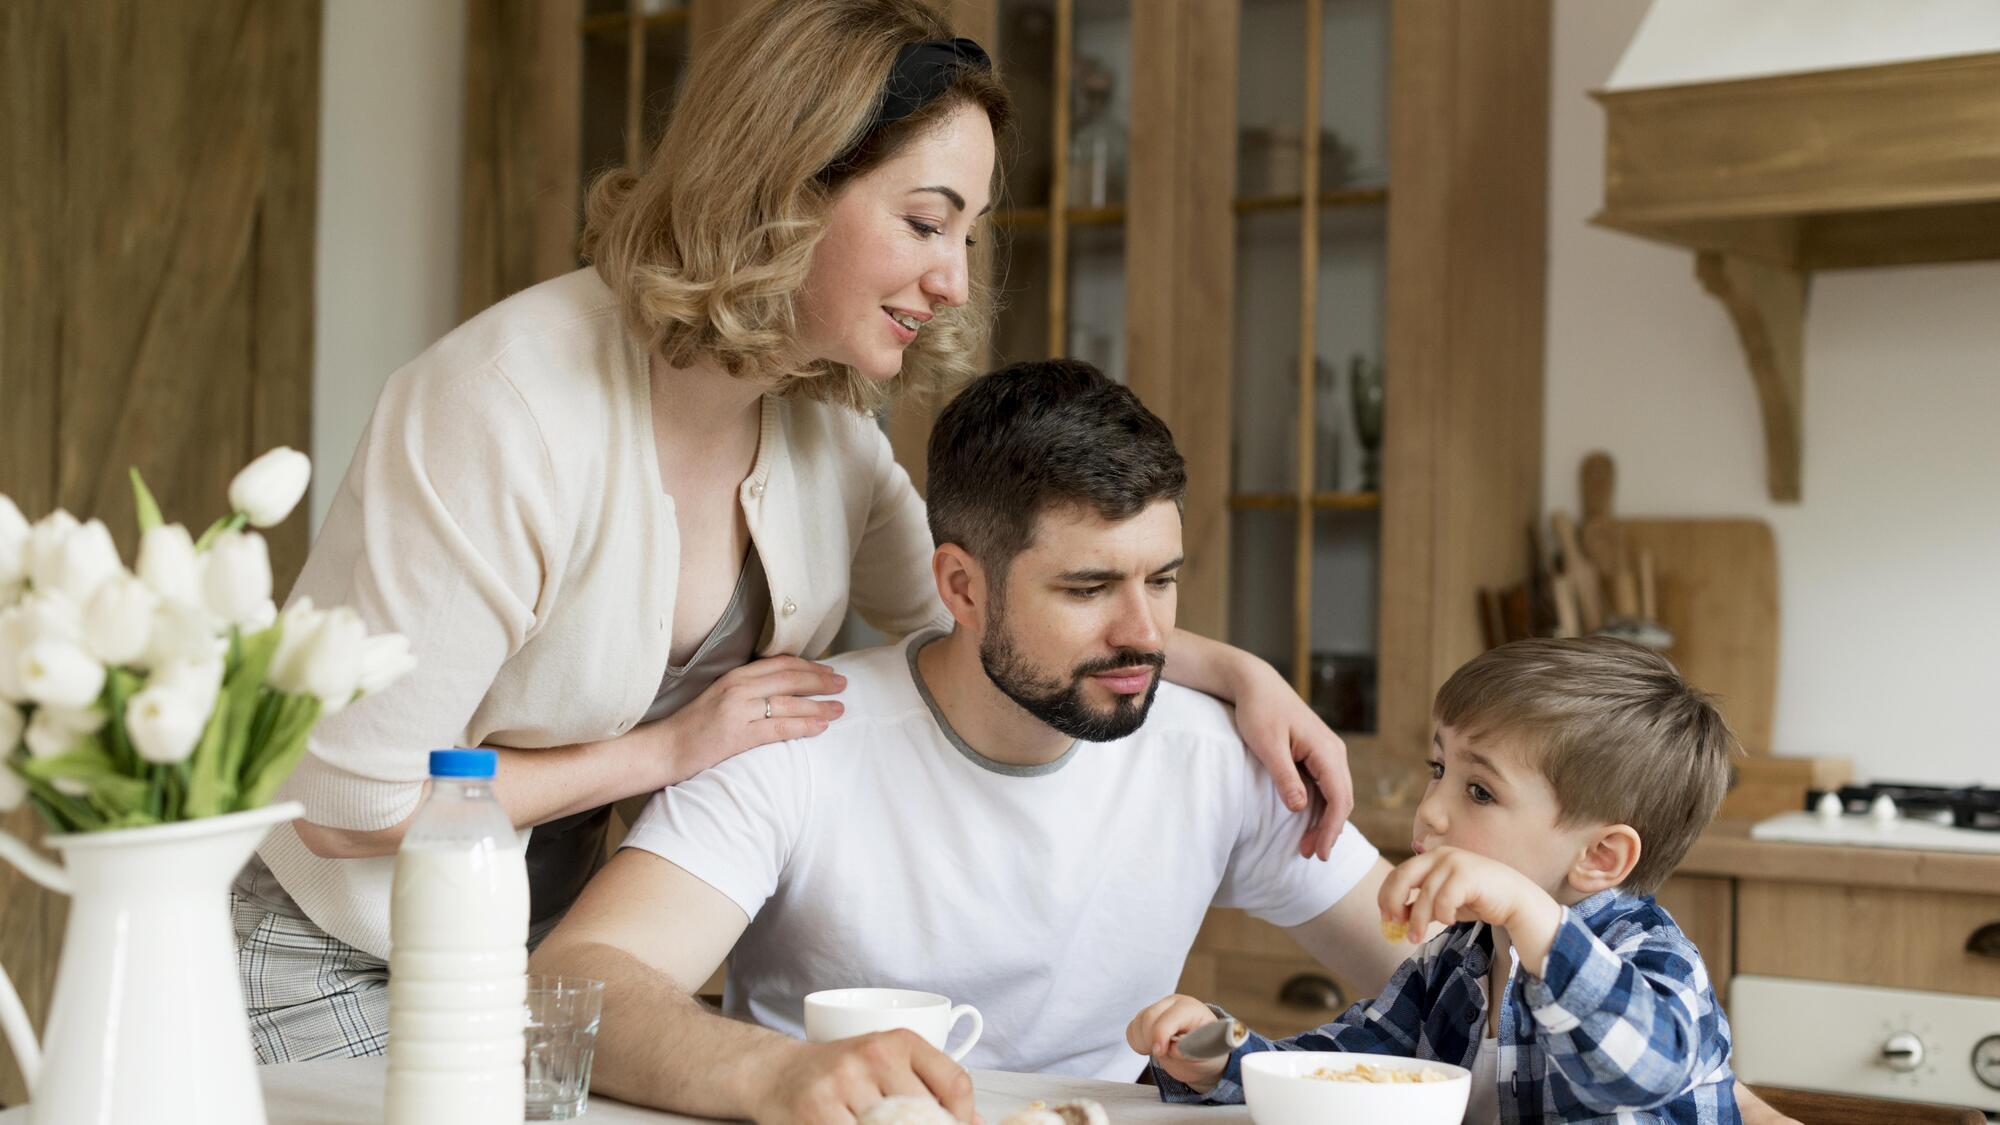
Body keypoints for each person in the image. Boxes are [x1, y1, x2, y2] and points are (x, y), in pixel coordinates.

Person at [231, 0, 1355, 1065]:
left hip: (548, 939)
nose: (954, 281)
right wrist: (660, 756)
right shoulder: (501, 409)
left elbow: (977, 618)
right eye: (923, 222)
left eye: (966, 233)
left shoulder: (825, 433)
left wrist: (1228, 672)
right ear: (784, 190)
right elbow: (347, 806)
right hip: (348, 953)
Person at [530, 359, 1407, 1124]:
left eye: (1163, 579)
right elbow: (577, 979)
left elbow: (1446, 982)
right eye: (1089, 586)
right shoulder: (799, 737)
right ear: (960, 584)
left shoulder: (1216, 754)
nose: (1144, 633)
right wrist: (778, 1071)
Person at [1131, 637, 1744, 1124]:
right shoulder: (1454, 960)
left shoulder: (1652, 959)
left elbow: (1643, 1068)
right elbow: (1346, 1069)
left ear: (1601, 857)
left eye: (1479, 790)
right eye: (1439, 767)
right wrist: (1218, 1056)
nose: (1430, 809)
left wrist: (1532, 914)